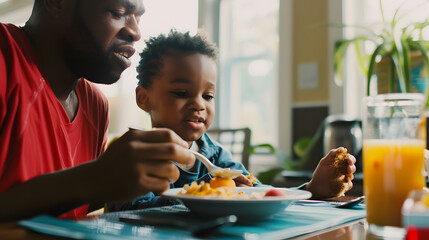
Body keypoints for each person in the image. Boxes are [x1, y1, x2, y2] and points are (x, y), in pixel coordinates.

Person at [107, 30, 356, 211]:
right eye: (182, 93)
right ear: (144, 98)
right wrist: (211, 194)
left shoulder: (215, 157)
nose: (199, 104)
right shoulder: (136, 152)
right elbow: (130, 211)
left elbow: (261, 195)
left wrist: (312, 189)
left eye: (208, 95)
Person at [0, 0, 196, 221]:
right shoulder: (4, 60)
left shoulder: (95, 105)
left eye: (138, 19)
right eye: (118, 13)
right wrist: (91, 180)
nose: (136, 32)